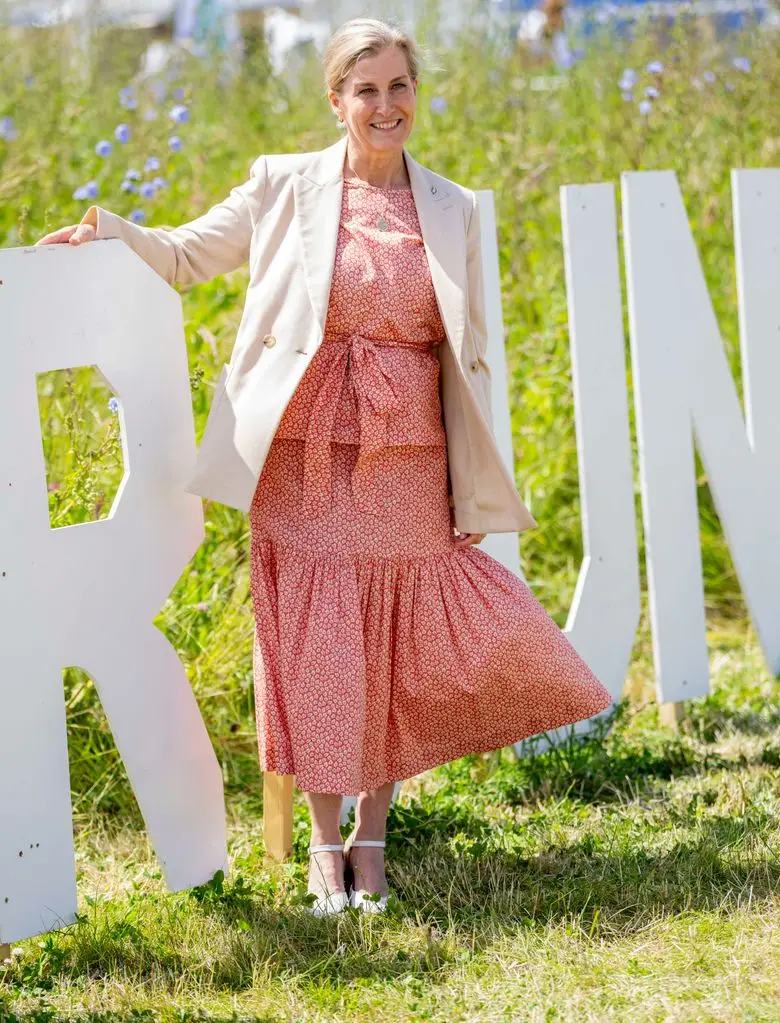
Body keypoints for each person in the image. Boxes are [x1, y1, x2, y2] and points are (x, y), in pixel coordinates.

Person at [36, 17, 613, 919]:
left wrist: (471, 479)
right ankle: (320, 842)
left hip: (409, 457)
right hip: (301, 453)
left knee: (388, 643)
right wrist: (109, 234)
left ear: (415, 94)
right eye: (366, 90)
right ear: (336, 102)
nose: (386, 106)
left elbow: (469, 353)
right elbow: (188, 256)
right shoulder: (283, 185)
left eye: (398, 87)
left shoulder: (452, 205)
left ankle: (372, 842)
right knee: (315, 644)